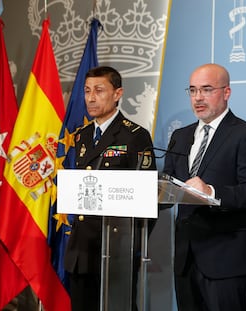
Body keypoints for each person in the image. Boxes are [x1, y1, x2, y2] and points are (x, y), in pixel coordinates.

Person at [163, 63, 246, 310]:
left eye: (207, 89)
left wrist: (210, 192)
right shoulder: (180, 135)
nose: (198, 97)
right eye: (192, 90)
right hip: (186, 257)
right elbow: (168, 185)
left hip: (226, 257)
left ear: (226, 92)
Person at [63, 66, 156, 311]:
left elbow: (147, 196)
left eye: (99, 90)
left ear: (117, 94)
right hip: (82, 247)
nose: (91, 98)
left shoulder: (134, 136)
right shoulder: (82, 135)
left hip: (116, 248)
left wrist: (133, 246)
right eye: (87, 91)